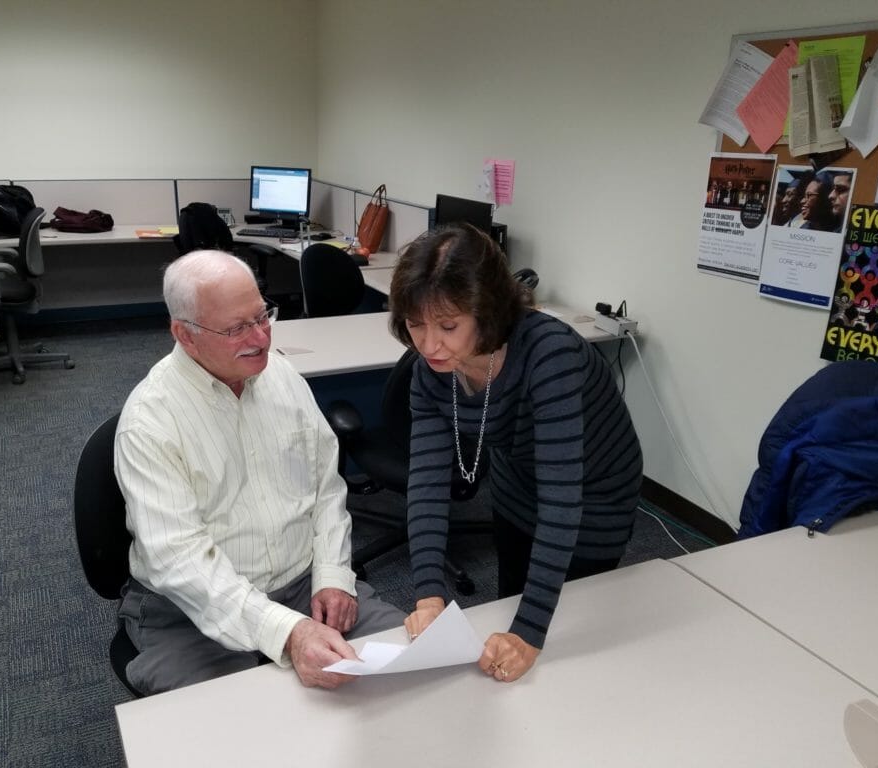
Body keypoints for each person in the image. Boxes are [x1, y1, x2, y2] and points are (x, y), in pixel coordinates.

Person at [115, 249, 404, 695]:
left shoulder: (283, 378)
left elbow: (326, 489)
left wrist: (333, 576)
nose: (261, 338)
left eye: (263, 316)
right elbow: (180, 561)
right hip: (189, 609)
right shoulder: (150, 421)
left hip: (302, 582)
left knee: (407, 670)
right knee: (241, 733)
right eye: (236, 328)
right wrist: (288, 632)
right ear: (184, 335)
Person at [390, 224, 643, 684]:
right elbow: (425, 484)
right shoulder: (431, 370)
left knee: (572, 638)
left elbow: (564, 504)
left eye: (447, 326)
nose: (428, 345)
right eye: (414, 324)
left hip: (594, 501)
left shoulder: (551, 357)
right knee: (509, 604)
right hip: (516, 484)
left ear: (487, 312)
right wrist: (428, 594)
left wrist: (528, 633)